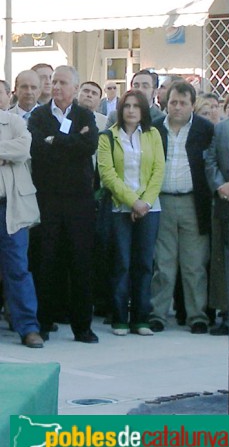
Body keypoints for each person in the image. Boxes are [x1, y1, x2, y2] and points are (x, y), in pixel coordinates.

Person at [28, 65, 99, 343]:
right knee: (46, 261)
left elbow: (89, 145)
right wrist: (70, 142)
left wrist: (55, 140)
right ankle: (44, 322)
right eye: (53, 82)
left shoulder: (85, 114)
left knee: (81, 263)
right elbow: (38, 148)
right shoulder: (39, 114)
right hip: (48, 200)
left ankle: (82, 327)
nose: (56, 87)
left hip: (79, 201)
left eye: (62, 82)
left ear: (75, 87)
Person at [97, 89, 165, 336]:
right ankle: (119, 318)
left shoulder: (153, 134)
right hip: (120, 208)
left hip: (150, 209)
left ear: (143, 110)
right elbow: (108, 176)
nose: (131, 110)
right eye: (127, 105)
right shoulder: (108, 136)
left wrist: (144, 202)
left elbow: (159, 170)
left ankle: (141, 319)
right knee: (122, 263)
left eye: (137, 106)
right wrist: (133, 201)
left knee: (144, 264)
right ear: (120, 109)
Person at [148, 81, 214, 334]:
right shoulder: (154, 128)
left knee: (194, 264)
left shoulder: (205, 129)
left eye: (183, 103)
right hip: (162, 200)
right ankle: (158, 314)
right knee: (163, 263)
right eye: (173, 102)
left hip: (192, 203)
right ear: (166, 102)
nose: (177, 107)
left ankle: (197, 315)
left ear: (192, 105)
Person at [0, 109, 43, 348]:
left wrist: (9, 153)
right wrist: (7, 153)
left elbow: (23, 148)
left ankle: (28, 328)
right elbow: (14, 151)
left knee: (17, 268)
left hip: (11, 207)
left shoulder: (14, 121)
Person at [205, 97, 229, 335]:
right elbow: (211, 160)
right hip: (224, 201)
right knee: (223, 259)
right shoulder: (222, 129)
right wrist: (220, 185)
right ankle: (226, 313)